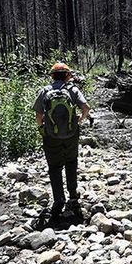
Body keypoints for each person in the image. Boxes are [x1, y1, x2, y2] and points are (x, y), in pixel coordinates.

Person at [33, 62, 90, 228]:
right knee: (71, 162)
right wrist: (79, 120)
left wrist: (41, 128)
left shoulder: (45, 91)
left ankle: (58, 200)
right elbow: (86, 108)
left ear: (52, 76)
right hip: (72, 134)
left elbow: (38, 115)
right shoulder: (72, 90)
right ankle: (73, 195)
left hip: (51, 136)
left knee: (54, 167)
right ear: (67, 75)